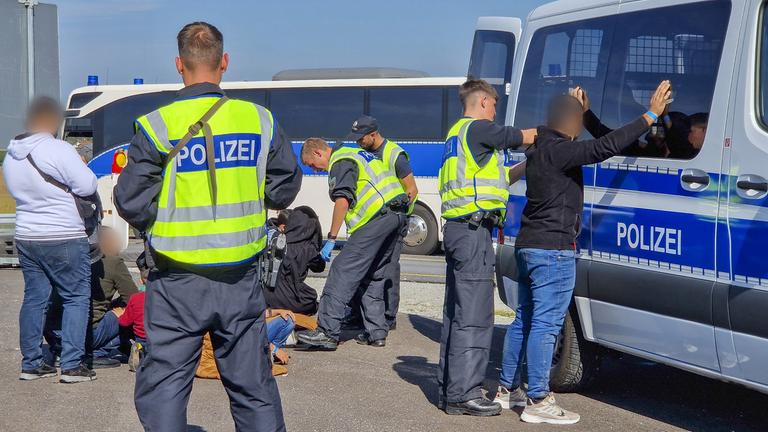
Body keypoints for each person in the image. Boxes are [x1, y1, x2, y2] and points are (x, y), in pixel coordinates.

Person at [114, 22, 301, 432]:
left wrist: (165, 222)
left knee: (165, 383)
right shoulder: (259, 119)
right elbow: (285, 186)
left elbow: (129, 199)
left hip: (176, 279)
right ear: (225, 63)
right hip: (240, 277)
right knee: (253, 386)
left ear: (179, 65)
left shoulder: (157, 125)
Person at [496, 81, 671, 425]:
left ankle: (506, 390)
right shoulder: (562, 151)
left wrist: (585, 112)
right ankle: (538, 400)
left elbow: (593, 138)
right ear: (572, 124)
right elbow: (606, 146)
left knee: (525, 320)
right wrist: (651, 115)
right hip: (554, 250)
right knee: (546, 325)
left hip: (529, 246)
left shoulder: (540, 148)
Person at [437, 79, 537, 416]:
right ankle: (464, 394)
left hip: (459, 230)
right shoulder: (478, 128)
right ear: (482, 102)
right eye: (494, 105)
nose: (496, 112)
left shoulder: (457, 136)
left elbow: (500, 177)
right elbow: (515, 136)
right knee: (475, 317)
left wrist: (527, 165)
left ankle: (451, 389)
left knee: (457, 313)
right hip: (472, 232)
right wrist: (551, 131)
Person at [4, 96, 98, 383]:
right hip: (63, 234)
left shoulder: (12, 154)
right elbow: (87, 184)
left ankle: (31, 363)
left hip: (28, 235)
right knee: (76, 297)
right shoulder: (58, 149)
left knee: (34, 298)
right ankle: (71, 365)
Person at [296, 137, 408, 349]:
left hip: (376, 219)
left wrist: (331, 238)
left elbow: (343, 199)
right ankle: (376, 332)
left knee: (342, 270)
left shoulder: (340, 160)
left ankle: (327, 332)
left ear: (319, 153)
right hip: (397, 216)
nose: (315, 170)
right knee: (373, 274)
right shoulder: (357, 154)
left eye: (312, 165)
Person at [348, 115, 416, 331]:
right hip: (372, 223)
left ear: (373, 134)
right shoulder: (364, 154)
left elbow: (412, 189)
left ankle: (388, 316)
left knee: (388, 270)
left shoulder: (394, 155)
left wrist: (398, 214)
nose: (358, 142)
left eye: (361, 138)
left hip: (392, 222)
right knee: (365, 268)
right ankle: (362, 315)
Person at [88, 226, 138, 368]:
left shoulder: (79, 259)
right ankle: (97, 352)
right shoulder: (113, 262)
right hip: (90, 333)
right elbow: (133, 299)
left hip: (57, 332)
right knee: (127, 311)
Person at [263, 206, 325, 316]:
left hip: (267, 297)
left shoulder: (276, 239)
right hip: (291, 299)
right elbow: (319, 267)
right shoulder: (308, 248)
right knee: (312, 299)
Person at [119, 253, 150, 372]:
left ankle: (138, 350)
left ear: (141, 281)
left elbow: (124, 322)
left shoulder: (136, 298)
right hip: (159, 338)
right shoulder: (164, 298)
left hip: (141, 337)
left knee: (125, 325)